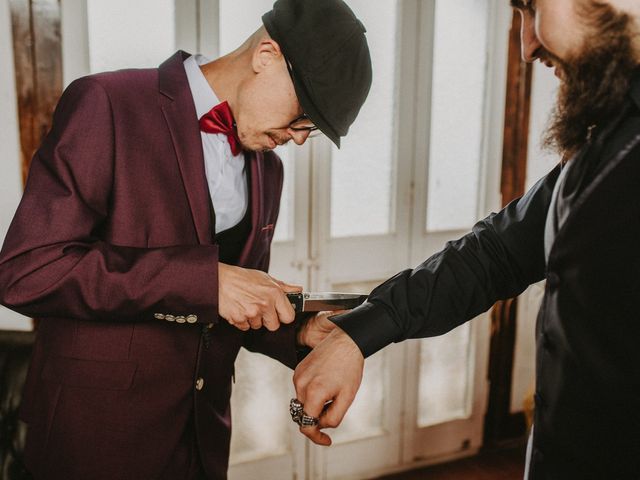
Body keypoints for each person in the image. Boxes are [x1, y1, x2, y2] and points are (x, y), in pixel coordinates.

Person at [0, 0, 372, 478]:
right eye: (305, 115)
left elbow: (228, 306)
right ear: (267, 56)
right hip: (94, 440)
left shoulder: (269, 169)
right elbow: (29, 270)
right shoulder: (107, 103)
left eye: (314, 131)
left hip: (201, 438)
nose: (301, 138)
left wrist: (296, 333)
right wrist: (205, 281)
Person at [292, 0, 640, 478]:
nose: (526, 45)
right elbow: (495, 253)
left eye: (531, 7)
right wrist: (358, 332)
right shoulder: (604, 147)